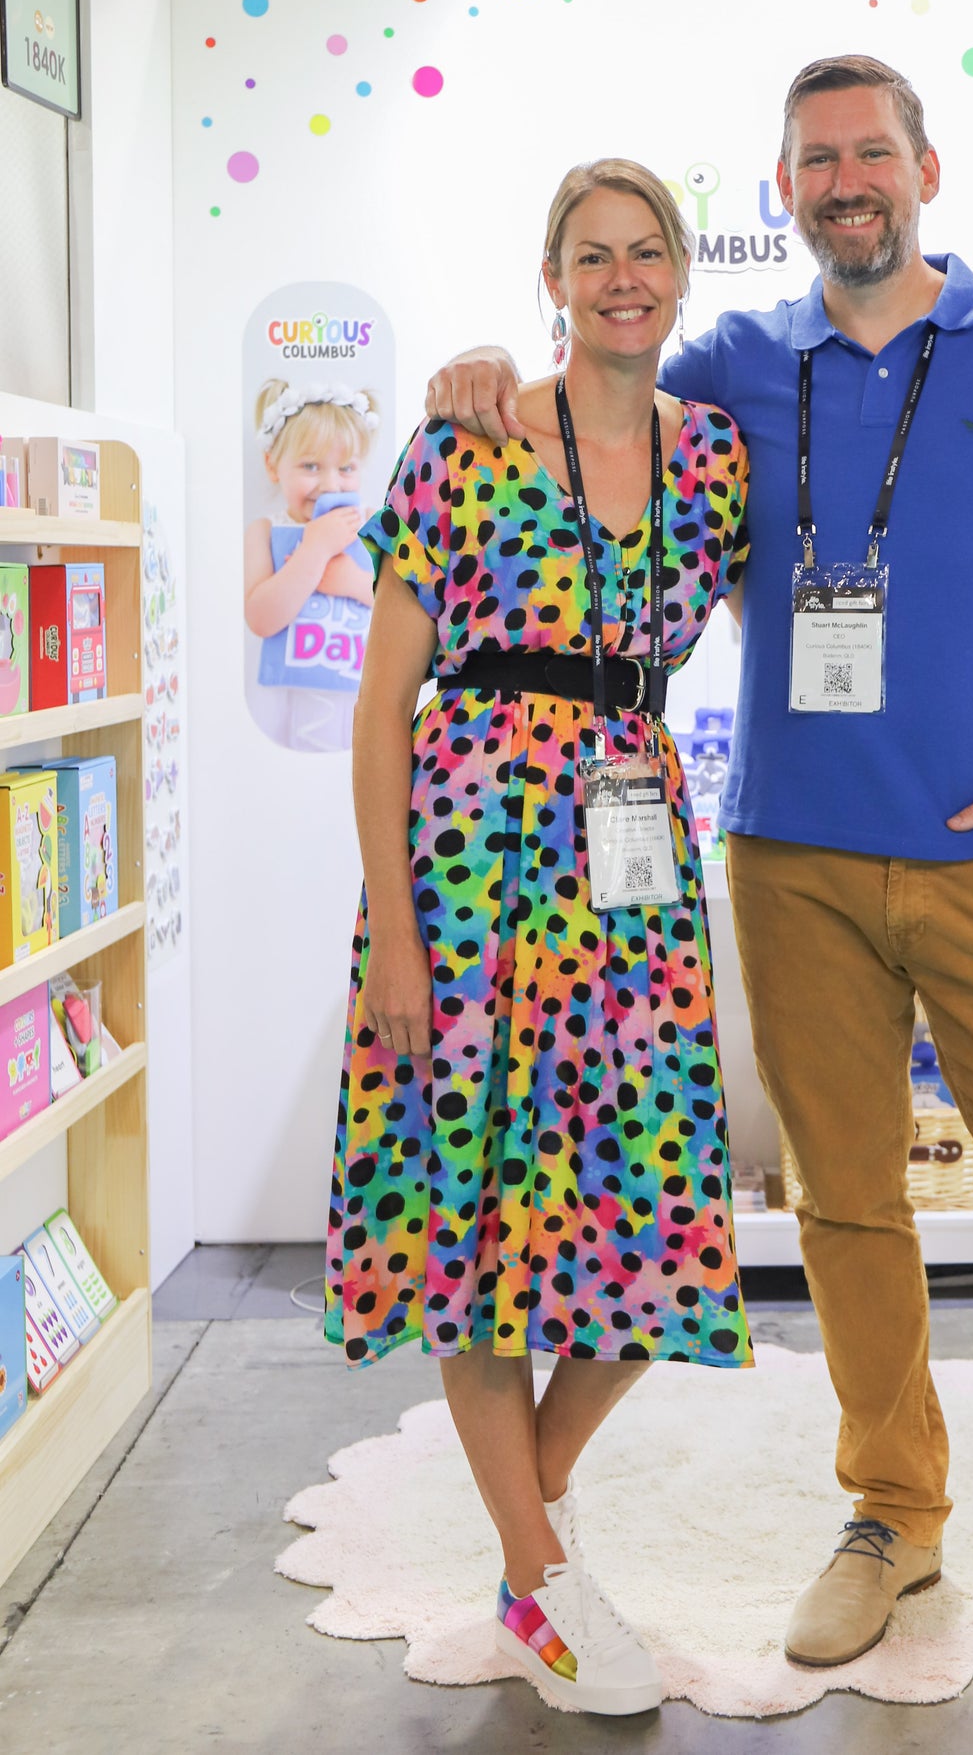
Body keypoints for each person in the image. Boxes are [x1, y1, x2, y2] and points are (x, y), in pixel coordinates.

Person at [427, 56, 973, 1755]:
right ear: (786, 189)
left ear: (924, 169)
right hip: (789, 857)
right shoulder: (740, 360)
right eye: (817, 159)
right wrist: (482, 374)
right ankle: (893, 1511)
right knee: (850, 1213)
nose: (846, 179)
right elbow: (601, 390)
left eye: (871, 150)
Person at [323, 159, 756, 1718]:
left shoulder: (717, 458)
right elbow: (381, 705)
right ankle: (537, 1576)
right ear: (553, 277)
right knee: (472, 1218)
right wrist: (394, 936)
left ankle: (534, 1505)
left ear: (682, 272)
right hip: (469, 871)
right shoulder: (468, 439)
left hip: (630, 879)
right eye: (592, 253)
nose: (622, 276)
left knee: (657, 1209)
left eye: (646, 251)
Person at [243, 381, 379, 753]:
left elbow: (401, 608)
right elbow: (260, 619)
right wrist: (314, 551)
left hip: (356, 700)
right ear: (272, 465)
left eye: (346, 468)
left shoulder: (373, 523)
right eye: (311, 466)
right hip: (282, 701)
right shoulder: (265, 531)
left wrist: (355, 582)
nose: (330, 484)